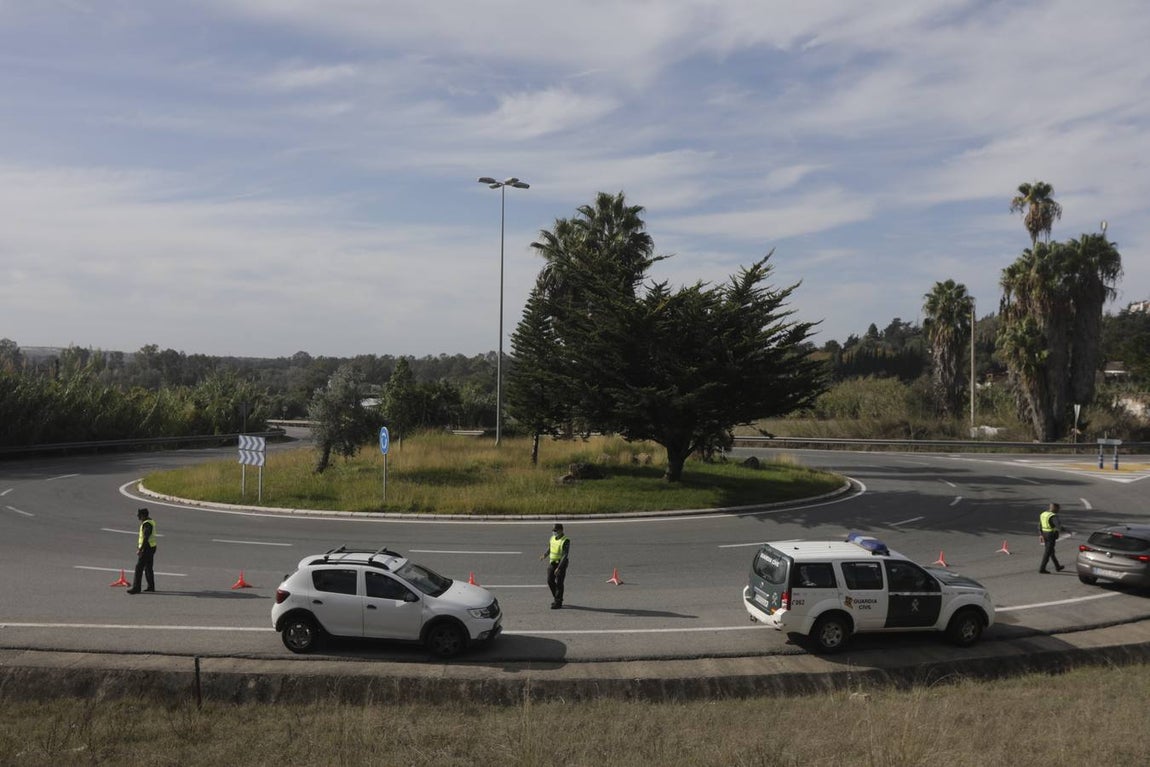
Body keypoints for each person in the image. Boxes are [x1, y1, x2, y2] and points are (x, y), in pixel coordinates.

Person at [539, 523, 570, 609]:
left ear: (561, 530)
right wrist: (544, 555)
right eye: (553, 530)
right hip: (552, 562)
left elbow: (565, 555)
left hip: (561, 563)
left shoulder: (565, 540)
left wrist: (559, 568)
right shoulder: (552, 538)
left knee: (559, 583)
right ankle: (557, 597)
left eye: (555, 530)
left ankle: (558, 602)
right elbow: (550, 548)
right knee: (550, 580)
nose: (553, 532)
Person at [127, 507, 157, 594]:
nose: (138, 518)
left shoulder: (147, 524)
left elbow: (145, 538)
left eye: (139, 516)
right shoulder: (150, 521)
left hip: (147, 548)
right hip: (152, 547)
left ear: (143, 516)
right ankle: (151, 586)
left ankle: (136, 588)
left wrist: (140, 549)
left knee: (139, 568)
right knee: (148, 567)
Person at [1038, 502, 1065, 574]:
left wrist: (1040, 534)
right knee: (1047, 552)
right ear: (1055, 508)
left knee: (1051, 551)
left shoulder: (1043, 514)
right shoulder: (1053, 516)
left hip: (1044, 534)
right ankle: (1042, 568)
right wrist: (1066, 530)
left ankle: (1057, 566)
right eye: (1058, 508)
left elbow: (1040, 525)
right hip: (1050, 536)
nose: (1059, 510)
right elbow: (1059, 527)